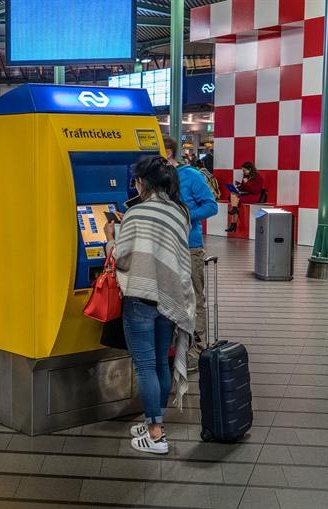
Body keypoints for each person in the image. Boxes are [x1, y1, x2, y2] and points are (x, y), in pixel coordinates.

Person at [103, 155, 195, 455]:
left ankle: (155, 435)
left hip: (140, 298)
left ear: (143, 182)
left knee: (145, 367)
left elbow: (123, 256)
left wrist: (109, 238)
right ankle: (155, 421)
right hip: (168, 298)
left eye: (137, 181)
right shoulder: (180, 212)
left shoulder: (136, 213)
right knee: (160, 364)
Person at [164, 137, 217, 371]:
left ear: (168, 152)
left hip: (189, 247)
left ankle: (196, 349)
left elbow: (211, 205)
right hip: (164, 248)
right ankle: (173, 347)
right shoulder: (158, 178)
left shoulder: (192, 176)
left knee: (194, 299)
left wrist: (185, 215)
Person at [226, 161, 264, 232]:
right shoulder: (246, 176)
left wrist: (246, 183)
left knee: (235, 201)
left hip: (254, 196)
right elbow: (244, 187)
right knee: (233, 194)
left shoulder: (259, 178)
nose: (243, 172)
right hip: (245, 194)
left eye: (244, 170)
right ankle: (234, 213)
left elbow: (256, 191)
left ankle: (233, 224)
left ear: (250, 169)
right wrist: (238, 186)